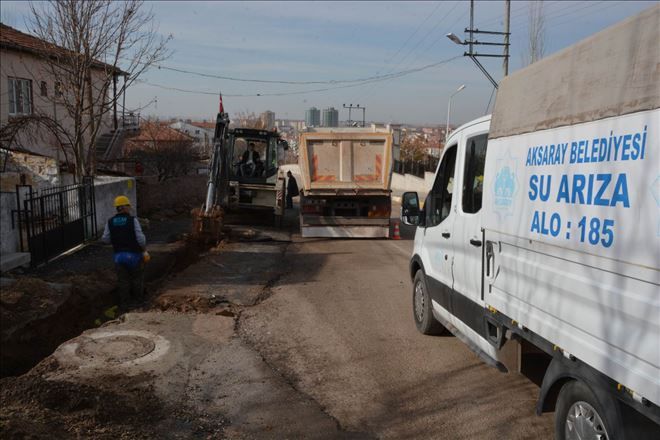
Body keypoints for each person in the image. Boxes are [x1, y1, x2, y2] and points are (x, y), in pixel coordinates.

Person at [101, 195, 147, 309]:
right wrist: (144, 249)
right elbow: (140, 238)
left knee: (123, 281)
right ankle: (138, 302)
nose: (129, 208)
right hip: (134, 255)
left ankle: (125, 304)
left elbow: (105, 239)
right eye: (128, 206)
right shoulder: (133, 220)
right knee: (137, 279)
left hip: (119, 256)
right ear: (124, 207)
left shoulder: (110, 222)